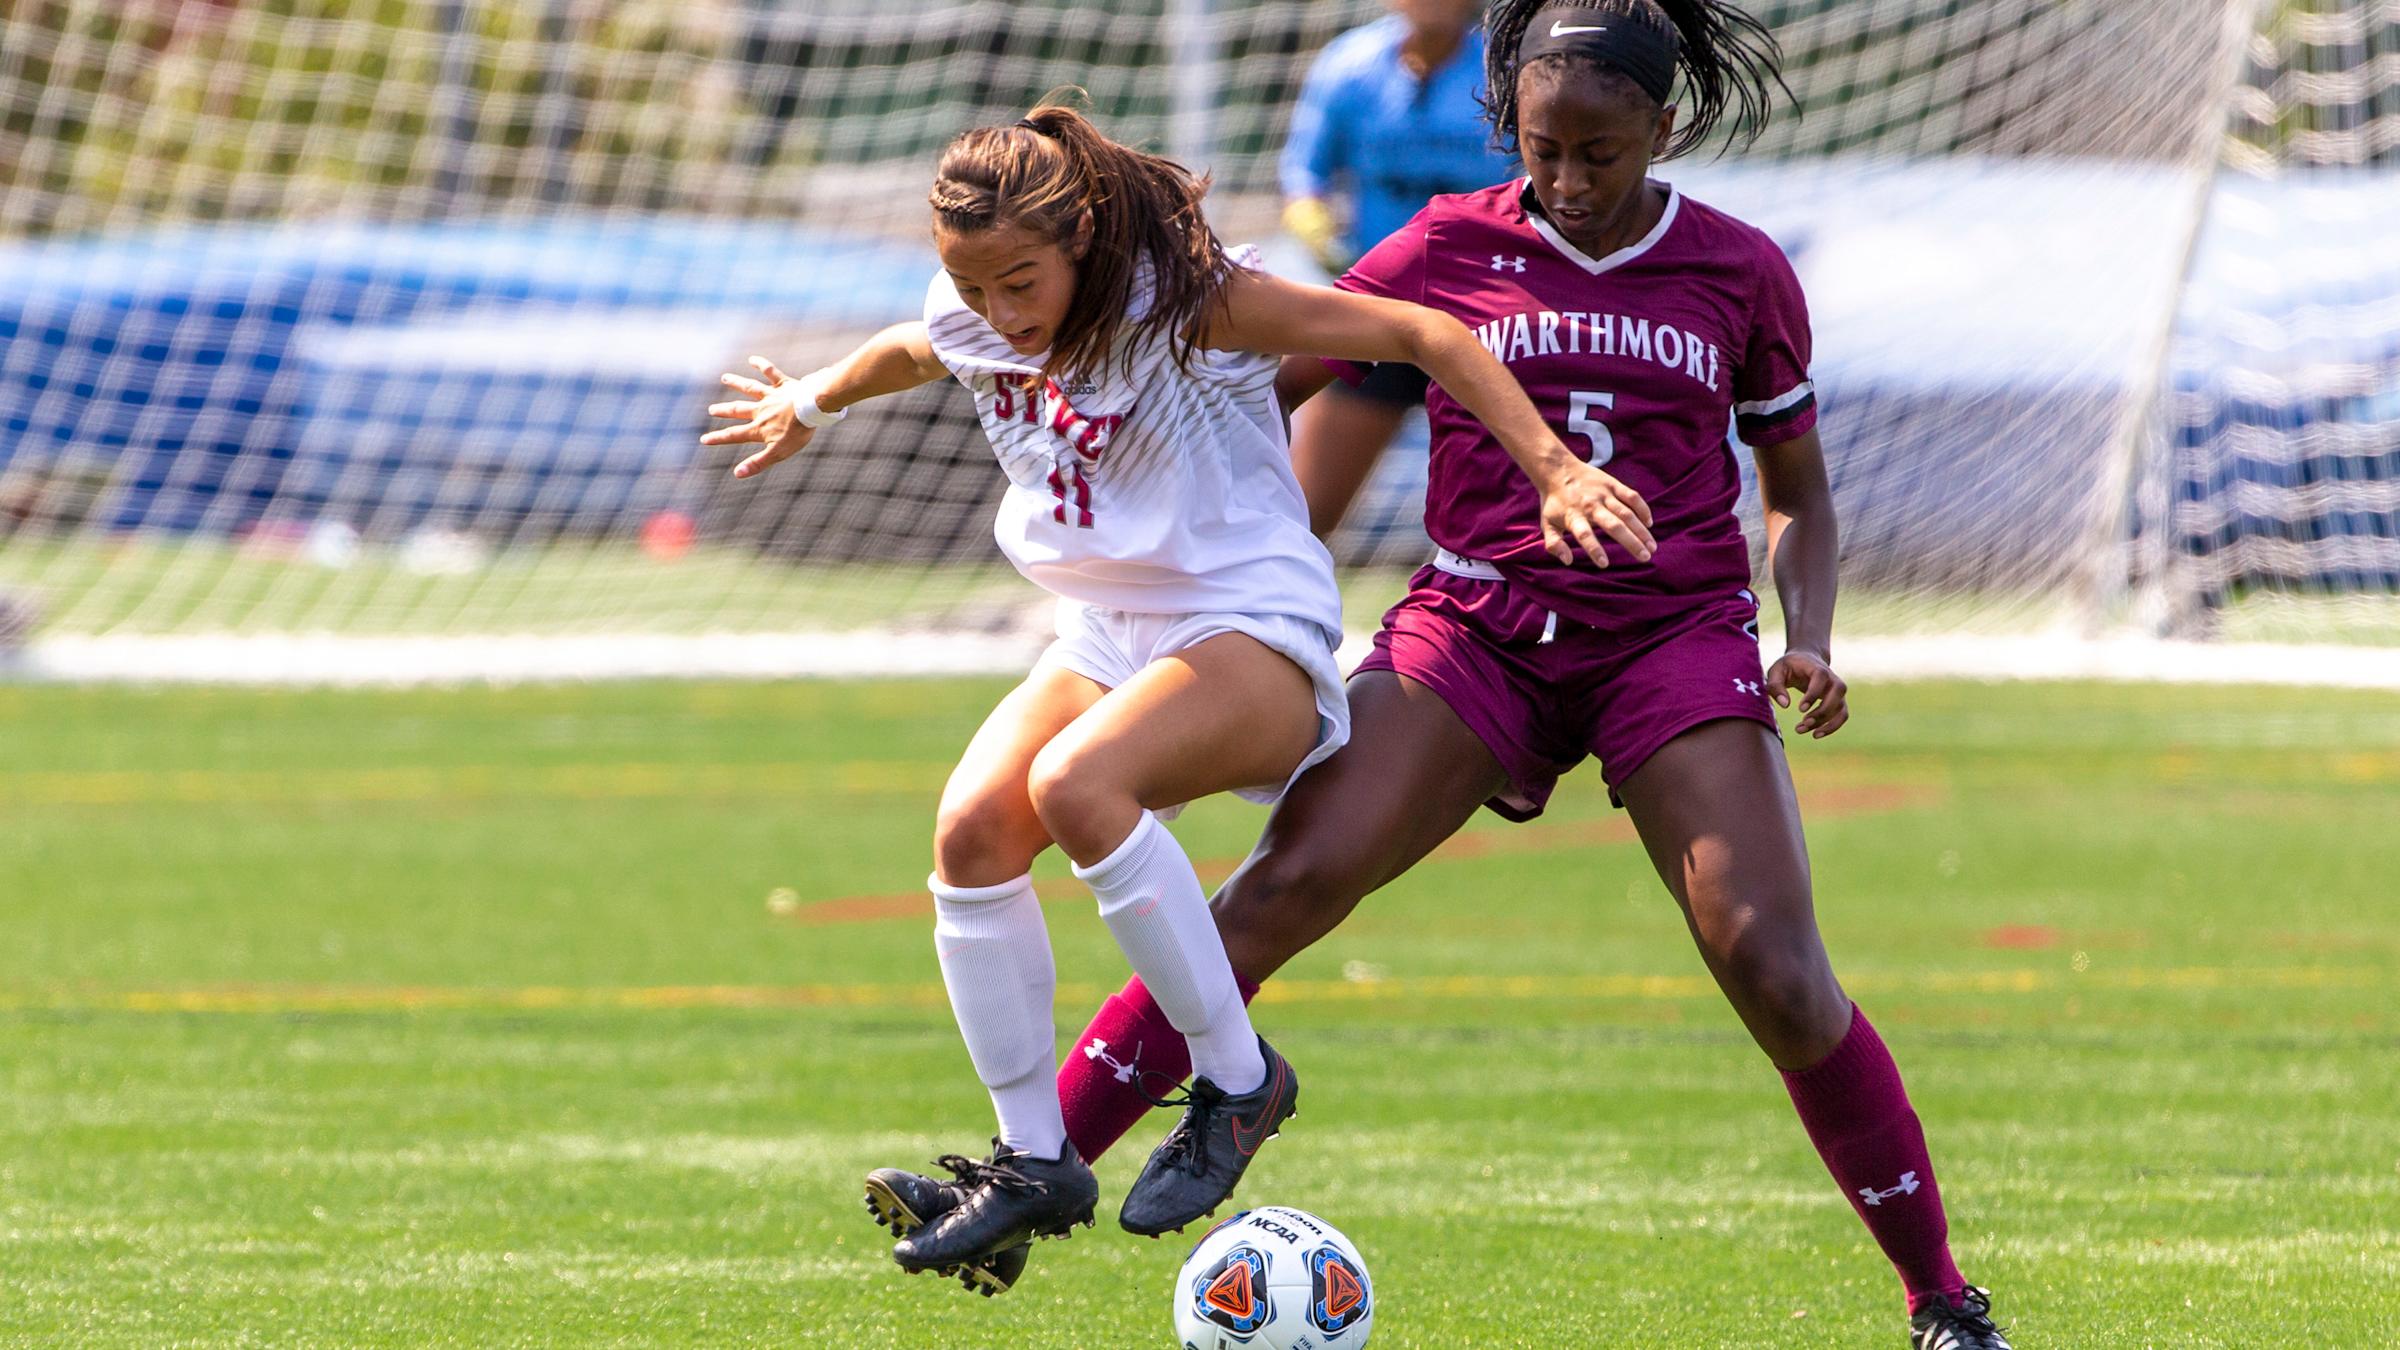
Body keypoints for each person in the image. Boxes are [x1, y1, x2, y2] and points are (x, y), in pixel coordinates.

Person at [1045, 3, 2020, 1343]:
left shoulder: (1740, 271)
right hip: (1478, 634)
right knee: (1280, 888)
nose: (1566, 180)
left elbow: (1796, 488)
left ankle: (1940, 1293)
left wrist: (1810, 634)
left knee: (1777, 969)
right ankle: (1040, 1161)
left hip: (1668, 644)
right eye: (1542, 148)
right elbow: (1271, 367)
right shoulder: (1446, 245)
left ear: (1664, 130)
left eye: (1599, 153)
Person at [705, 100, 1655, 1295]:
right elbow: (914, 344)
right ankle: (1034, 1161)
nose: (1002, 314)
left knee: (1077, 784)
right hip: (1110, 630)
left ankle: (1239, 1075)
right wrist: (813, 400)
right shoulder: (978, 309)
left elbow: (1427, 333)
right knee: (972, 832)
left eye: (1021, 282)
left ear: (1084, 238)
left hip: (1249, 621)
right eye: (977, 286)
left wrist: (1556, 470)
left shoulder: (1192, 299)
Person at [1279, 0, 1523, 536]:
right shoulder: (1348, 66)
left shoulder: (1509, 70)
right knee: (1295, 520)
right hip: (1377, 317)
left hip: (1488, 322)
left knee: (1521, 520)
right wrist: (1315, 225)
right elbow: (1303, 174)